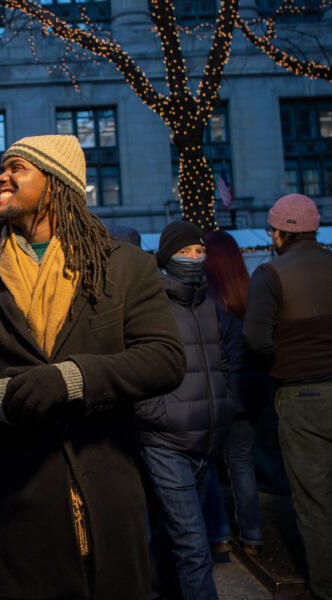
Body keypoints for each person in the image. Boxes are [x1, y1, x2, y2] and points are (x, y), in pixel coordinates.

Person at [0, 135, 185, 600]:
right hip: (16, 497)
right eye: (2, 168)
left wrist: (71, 379)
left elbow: (164, 358)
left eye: (17, 168)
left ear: (57, 182)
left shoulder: (122, 266)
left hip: (103, 484)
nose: (0, 176)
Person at [137, 221, 240, 600]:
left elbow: (224, 361)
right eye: (185, 252)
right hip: (166, 442)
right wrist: (156, 414)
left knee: (172, 534)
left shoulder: (210, 304)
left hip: (205, 441)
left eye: (200, 252)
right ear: (166, 258)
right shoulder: (153, 306)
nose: (195, 259)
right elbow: (136, 366)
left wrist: (224, 405)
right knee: (194, 547)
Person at [243, 194, 332, 600]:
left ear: (278, 233)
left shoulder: (270, 274)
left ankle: (326, 587)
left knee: (315, 499)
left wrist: (283, 361)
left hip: (303, 395)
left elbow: (256, 341)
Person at [201, 229, 268, 558]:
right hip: (248, 393)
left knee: (211, 464)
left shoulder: (208, 302)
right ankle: (253, 536)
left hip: (218, 394)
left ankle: (220, 535)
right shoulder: (249, 293)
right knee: (242, 464)